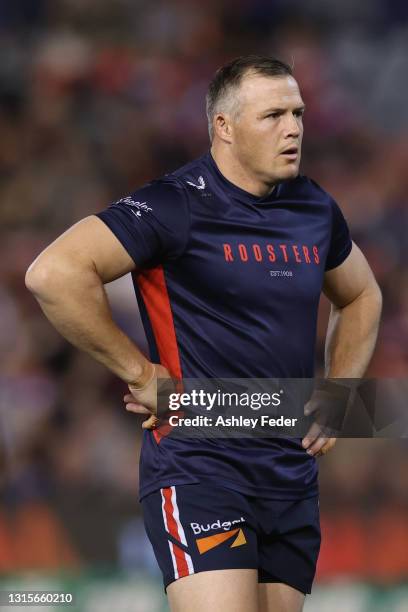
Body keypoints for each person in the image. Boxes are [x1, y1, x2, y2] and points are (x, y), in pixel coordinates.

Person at [25, 55, 382, 612]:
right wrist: (141, 373)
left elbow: (362, 295)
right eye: (272, 116)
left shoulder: (314, 208)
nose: (293, 129)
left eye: (298, 113)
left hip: (289, 472)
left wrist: (340, 395)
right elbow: (52, 274)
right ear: (224, 127)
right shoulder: (176, 204)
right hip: (200, 464)